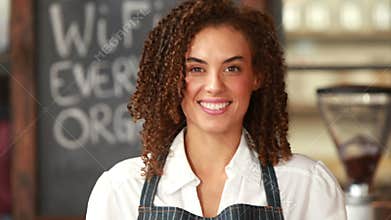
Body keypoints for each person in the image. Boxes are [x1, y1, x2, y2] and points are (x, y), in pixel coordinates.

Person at [86, 0, 346, 219]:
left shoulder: (306, 184)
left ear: (257, 76)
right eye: (196, 69)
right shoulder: (120, 190)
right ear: (172, 79)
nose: (214, 86)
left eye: (232, 68)